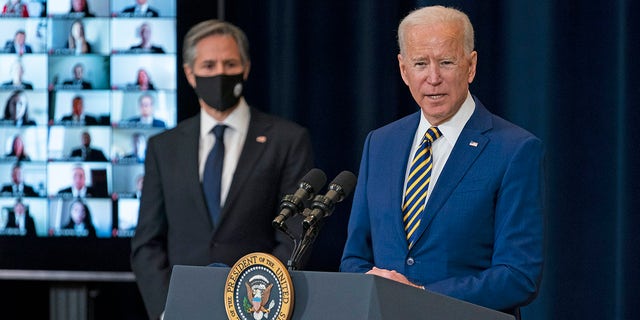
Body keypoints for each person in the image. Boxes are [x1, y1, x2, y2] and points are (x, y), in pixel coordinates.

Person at [339, 6, 545, 317]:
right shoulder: (380, 143)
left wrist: (420, 296)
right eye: (421, 63)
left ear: (471, 66)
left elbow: (518, 276)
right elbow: (354, 259)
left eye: (446, 62)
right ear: (404, 70)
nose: (433, 78)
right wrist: (371, 284)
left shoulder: (514, 149)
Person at [130, 20, 314, 320]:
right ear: (190, 73)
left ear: (246, 68)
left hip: (258, 308)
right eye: (208, 65)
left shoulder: (288, 140)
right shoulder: (163, 147)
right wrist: (168, 308)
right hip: (181, 310)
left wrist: (259, 304)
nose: (220, 74)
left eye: (230, 64)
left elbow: (293, 239)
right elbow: (147, 243)